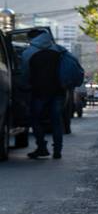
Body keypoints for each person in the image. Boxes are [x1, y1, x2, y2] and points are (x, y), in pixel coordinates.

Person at [21, 31, 65, 160]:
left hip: (39, 92)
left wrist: (24, 86)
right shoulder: (58, 49)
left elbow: (25, 74)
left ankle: (42, 147)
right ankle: (58, 150)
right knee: (56, 121)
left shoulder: (28, 52)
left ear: (32, 38)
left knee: (35, 119)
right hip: (58, 91)